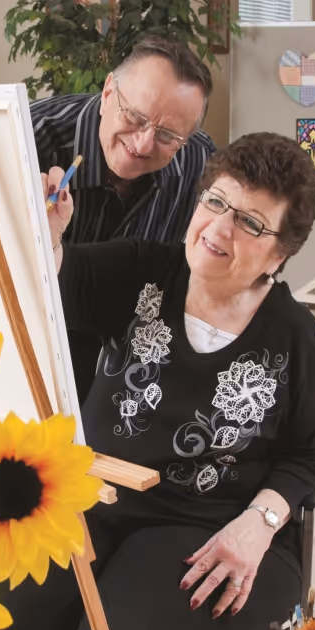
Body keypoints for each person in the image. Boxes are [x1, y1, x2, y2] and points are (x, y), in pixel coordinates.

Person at [0, 132, 315, 630]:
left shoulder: (294, 335)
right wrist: (49, 234)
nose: (218, 229)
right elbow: (56, 279)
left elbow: (308, 455)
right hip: (94, 501)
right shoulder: (145, 269)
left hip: (211, 531)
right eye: (214, 202)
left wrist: (258, 525)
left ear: (280, 253)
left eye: (250, 223)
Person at [29, 36, 217, 400]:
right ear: (108, 91)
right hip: (35, 353)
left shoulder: (198, 160)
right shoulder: (28, 140)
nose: (144, 144)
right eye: (135, 117)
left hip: (130, 372)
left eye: (167, 135)